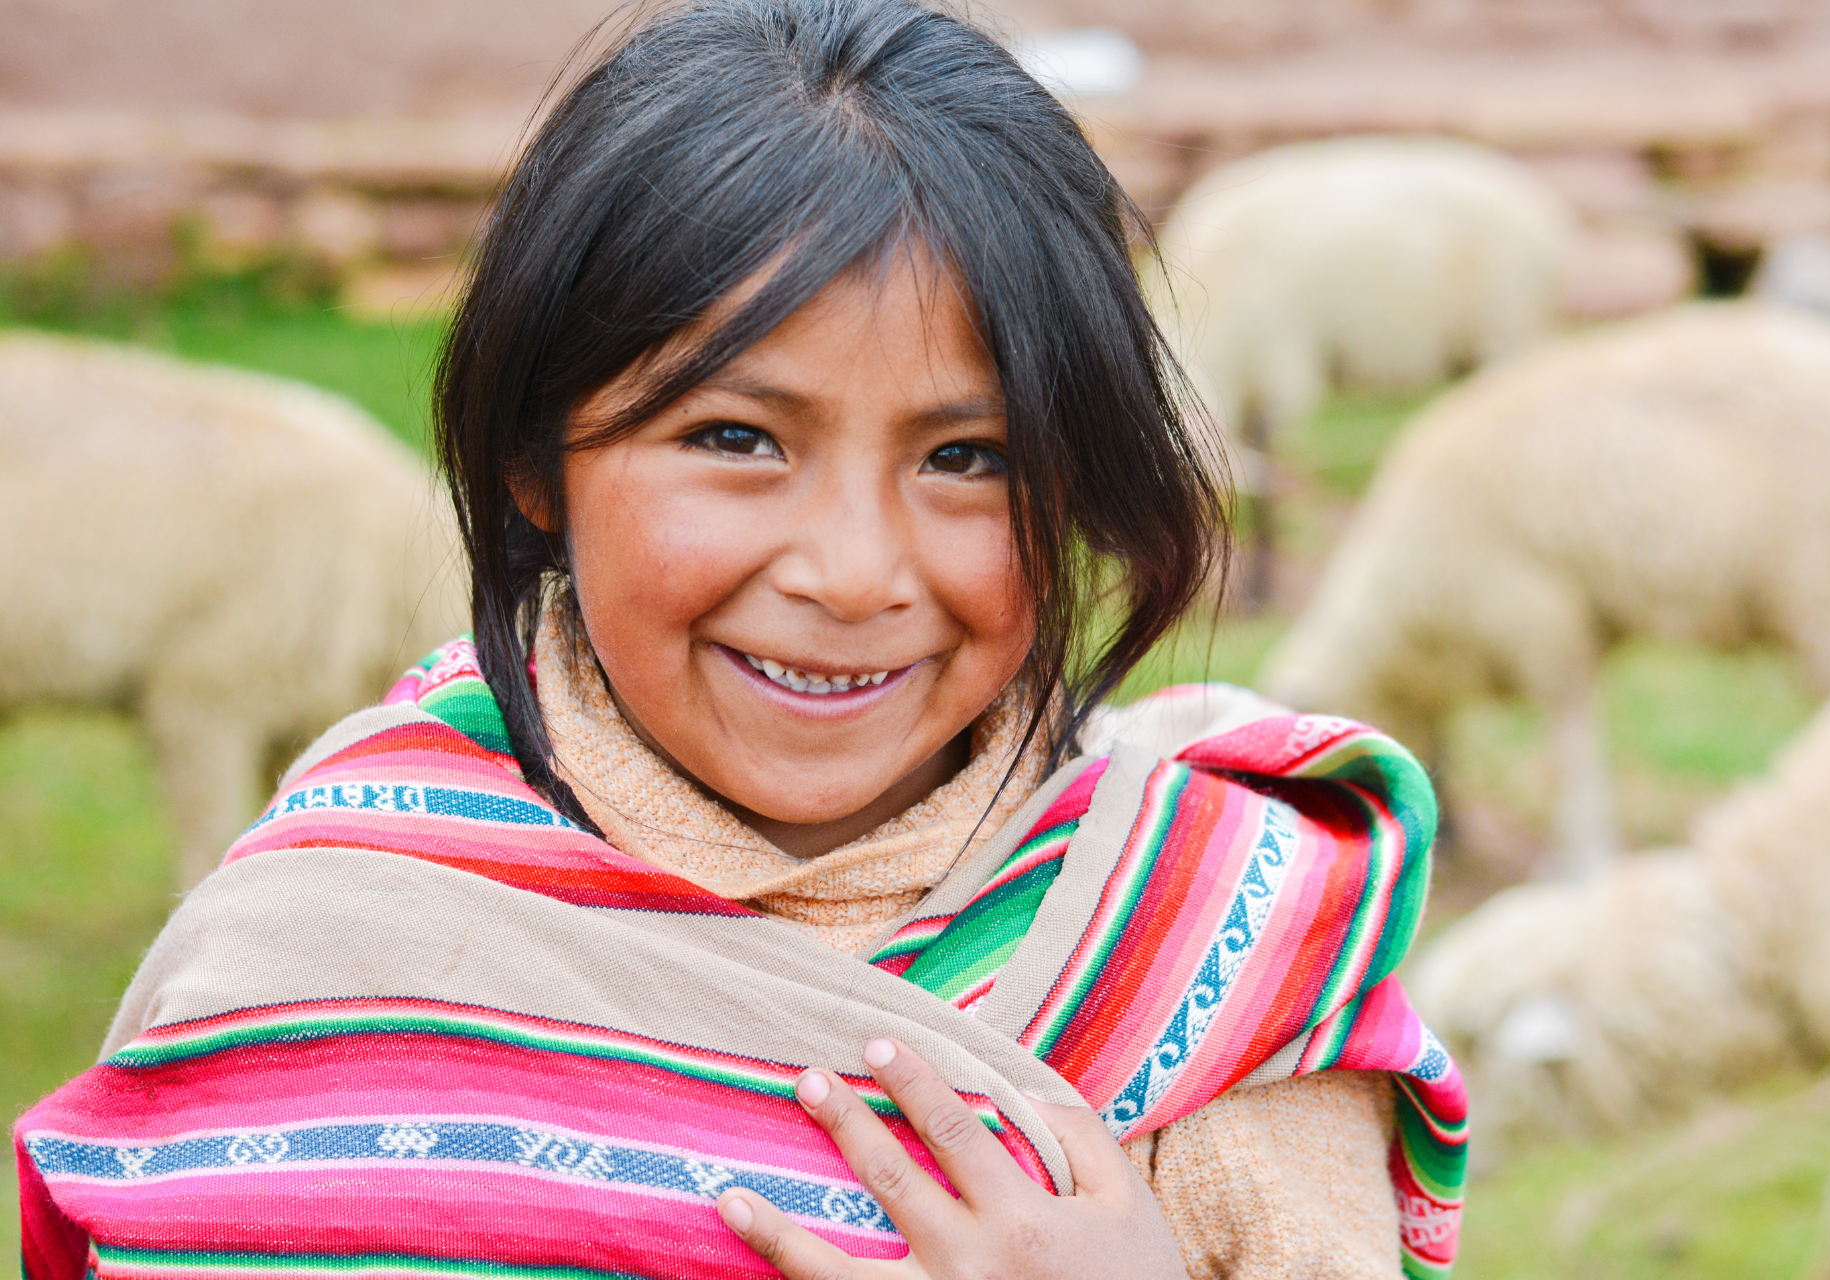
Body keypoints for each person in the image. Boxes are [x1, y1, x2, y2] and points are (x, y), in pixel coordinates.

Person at [15, 2, 1466, 1277]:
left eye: (967, 457)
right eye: (735, 437)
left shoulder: (1220, 944)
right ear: (537, 460)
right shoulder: (321, 979)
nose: (852, 574)